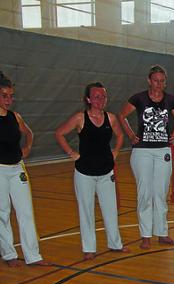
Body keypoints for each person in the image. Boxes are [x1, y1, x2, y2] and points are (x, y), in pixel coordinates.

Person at [55, 82, 130, 260]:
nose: (100, 100)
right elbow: (59, 133)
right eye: (96, 96)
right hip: (84, 173)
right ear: (88, 99)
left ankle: (115, 244)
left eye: (103, 96)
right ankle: (89, 248)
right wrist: (71, 153)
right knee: (86, 210)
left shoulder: (111, 118)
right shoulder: (80, 118)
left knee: (110, 209)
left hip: (106, 172)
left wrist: (116, 151)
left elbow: (120, 135)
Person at [118, 65, 174, 250]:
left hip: (162, 150)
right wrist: (131, 135)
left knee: (160, 193)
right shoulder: (138, 98)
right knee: (144, 193)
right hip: (142, 151)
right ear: (149, 80)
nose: (158, 84)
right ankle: (145, 235)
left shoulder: (171, 100)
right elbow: (122, 115)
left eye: (162, 81)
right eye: (155, 80)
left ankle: (162, 233)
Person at [0, 71, 49, 267]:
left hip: (17, 168)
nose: (9, 100)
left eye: (11, 96)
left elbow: (29, 133)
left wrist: (27, 148)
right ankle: (9, 254)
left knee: (26, 211)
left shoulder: (15, 117)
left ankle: (33, 255)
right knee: (2, 213)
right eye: (4, 95)